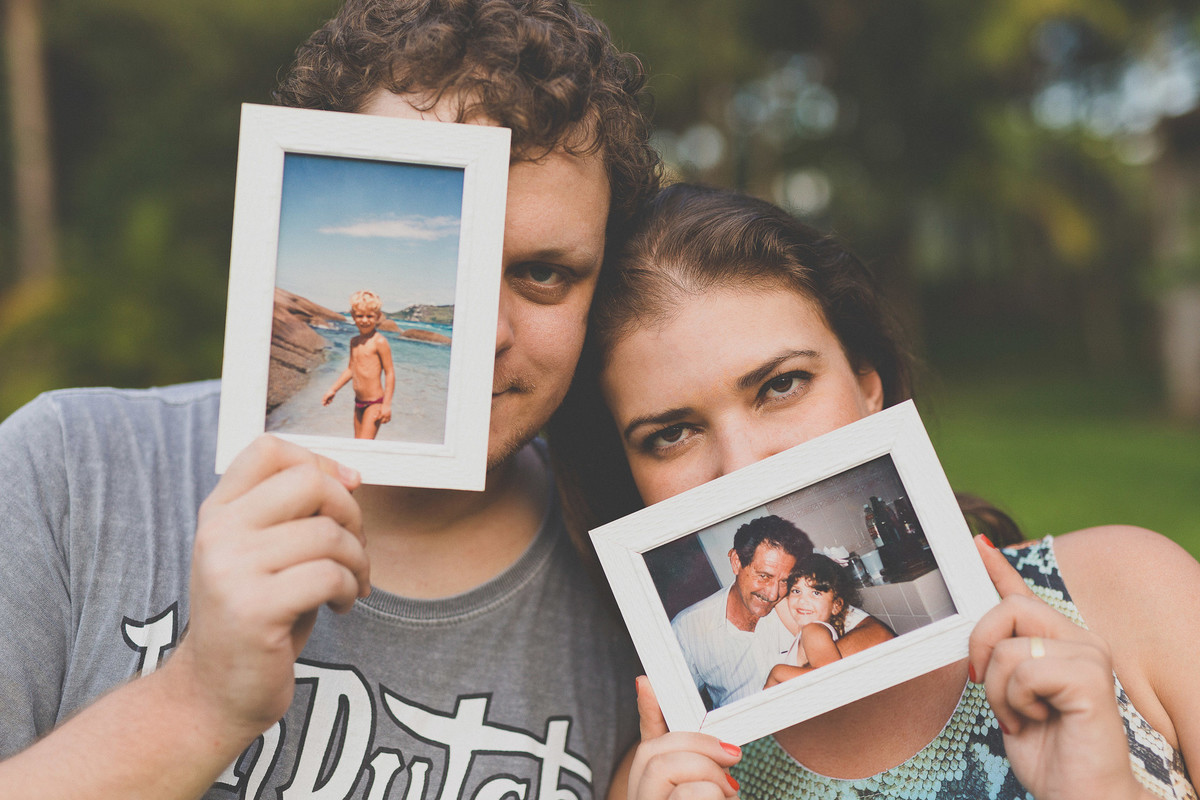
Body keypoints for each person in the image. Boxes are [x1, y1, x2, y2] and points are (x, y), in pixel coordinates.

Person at [0, 1, 660, 798]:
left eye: (544, 273)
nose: (487, 332)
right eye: (454, 245)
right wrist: (197, 701)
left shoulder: (635, 592)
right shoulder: (69, 477)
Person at [549, 183, 1200, 800]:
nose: (744, 466)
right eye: (671, 433)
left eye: (781, 385)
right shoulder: (666, 777)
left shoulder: (1133, 593)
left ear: (868, 386)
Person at [671, 516, 887, 708]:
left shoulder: (798, 604)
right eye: (764, 576)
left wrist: (805, 673)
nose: (773, 594)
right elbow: (679, 709)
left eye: (785, 581)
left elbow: (878, 634)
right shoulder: (687, 627)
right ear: (737, 562)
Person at [766, 553, 871, 684]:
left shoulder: (813, 631)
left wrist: (778, 673)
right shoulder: (808, 631)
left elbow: (832, 677)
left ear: (836, 606)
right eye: (796, 591)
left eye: (816, 593)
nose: (802, 600)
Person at [322, 290, 396, 439]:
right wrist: (333, 389)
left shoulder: (379, 342)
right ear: (352, 315)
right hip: (359, 403)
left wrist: (386, 405)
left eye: (369, 316)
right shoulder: (354, 342)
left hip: (374, 403)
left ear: (378, 316)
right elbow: (351, 369)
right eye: (360, 316)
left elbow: (390, 373)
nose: (364, 320)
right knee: (356, 444)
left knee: (364, 447)